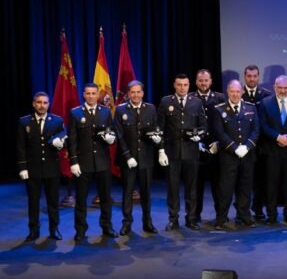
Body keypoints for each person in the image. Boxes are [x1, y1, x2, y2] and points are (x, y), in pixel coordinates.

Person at [157, 73, 207, 231]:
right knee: (172, 188)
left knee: (191, 188)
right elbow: (160, 128)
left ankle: (191, 219)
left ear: (189, 85)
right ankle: (173, 219)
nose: (182, 88)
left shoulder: (196, 102)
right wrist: (161, 150)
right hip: (172, 153)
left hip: (191, 153)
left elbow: (203, 126)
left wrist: (199, 136)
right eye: (179, 85)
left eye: (185, 85)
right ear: (174, 85)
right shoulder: (166, 102)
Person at [68, 82, 118, 241]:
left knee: (105, 198)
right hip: (83, 163)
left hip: (102, 162)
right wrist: (73, 162)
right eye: (88, 93)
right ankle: (81, 230)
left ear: (98, 95)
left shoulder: (105, 112)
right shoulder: (75, 113)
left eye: (93, 93)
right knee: (81, 199)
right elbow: (72, 141)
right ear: (84, 95)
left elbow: (111, 133)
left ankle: (107, 227)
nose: (90, 96)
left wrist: (112, 140)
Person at [16, 91, 67, 241]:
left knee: (53, 201)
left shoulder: (57, 121)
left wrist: (60, 144)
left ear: (48, 104)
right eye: (39, 102)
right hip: (33, 169)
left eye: (45, 103)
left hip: (52, 168)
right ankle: (33, 230)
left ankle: (54, 229)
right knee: (33, 202)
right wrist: (22, 167)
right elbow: (20, 147)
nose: (42, 105)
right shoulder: (24, 122)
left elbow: (64, 140)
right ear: (34, 104)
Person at [211, 79, 259, 230]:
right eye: (232, 91)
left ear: (242, 92)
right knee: (225, 189)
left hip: (247, 155)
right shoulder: (219, 109)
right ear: (228, 92)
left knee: (245, 187)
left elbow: (256, 130)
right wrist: (234, 148)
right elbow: (219, 133)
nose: (235, 94)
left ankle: (244, 216)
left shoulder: (251, 108)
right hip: (228, 156)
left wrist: (247, 146)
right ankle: (221, 218)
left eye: (238, 91)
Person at [258, 75, 287, 224]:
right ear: (275, 87)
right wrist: (278, 137)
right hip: (272, 150)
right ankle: (271, 215)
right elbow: (263, 125)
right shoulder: (265, 103)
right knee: (271, 184)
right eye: (280, 88)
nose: (283, 91)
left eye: (286, 88)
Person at [113, 80, 159, 235]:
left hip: (146, 157)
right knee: (127, 192)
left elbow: (155, 129)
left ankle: (148, 222)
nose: (136, 95)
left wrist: (157, 141)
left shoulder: (151, 109)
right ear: (128, 94)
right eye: (133, 92)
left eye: (138, 92)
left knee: (146, 192)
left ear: (143, 93)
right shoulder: (120, 110)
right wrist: (127, 156)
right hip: (129, 159)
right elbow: (119, 135)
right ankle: (127, 224)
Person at [193, 68, 226, 224]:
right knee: (196, 185)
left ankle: (221, 215)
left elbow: (227, 124)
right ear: (196, 82)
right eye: (201, 80)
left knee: (218, 185)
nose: (203, 83)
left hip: (216, 149)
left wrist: (220, 142)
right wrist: (196, 140)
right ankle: (195, 215)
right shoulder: (190, 98)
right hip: (196, 148)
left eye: (206, 80)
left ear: (211, 81)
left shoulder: (220, 98)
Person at [242, 64, 272, 220]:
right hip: (244, 145)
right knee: (244, 180)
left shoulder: (266, 95)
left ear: (258, 77)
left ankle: (259, 209)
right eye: (249, 76)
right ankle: (243, 211)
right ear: (245, 77)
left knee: (261, 180)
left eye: (255, 76)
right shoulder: (237, 93)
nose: (252, 79)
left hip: (262, 145)